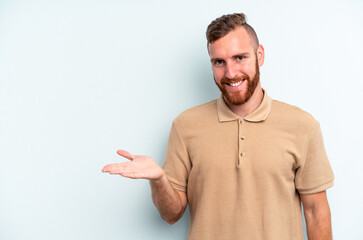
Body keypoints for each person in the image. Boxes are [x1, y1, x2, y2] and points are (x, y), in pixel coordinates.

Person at [102, 13, 334, 240]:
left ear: (259, 55)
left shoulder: (302, 126)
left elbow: (316, 213)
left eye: (240, 57)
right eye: (219, 62)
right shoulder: (186, 126)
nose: (230, 73)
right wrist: (159, 179)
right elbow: (171, 215)